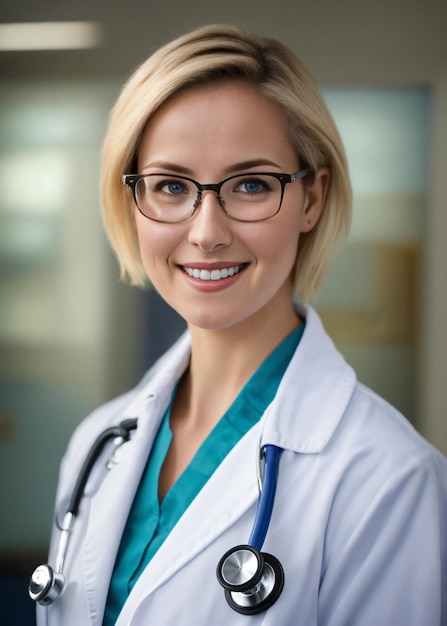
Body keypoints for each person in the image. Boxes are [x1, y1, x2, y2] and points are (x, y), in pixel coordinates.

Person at [34, 24, 447, 625]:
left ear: (312, 200)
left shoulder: (390, 480)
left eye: (250, 184)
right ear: (133, 203)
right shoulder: (97, 446)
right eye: (172, 186)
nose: (206, 232)